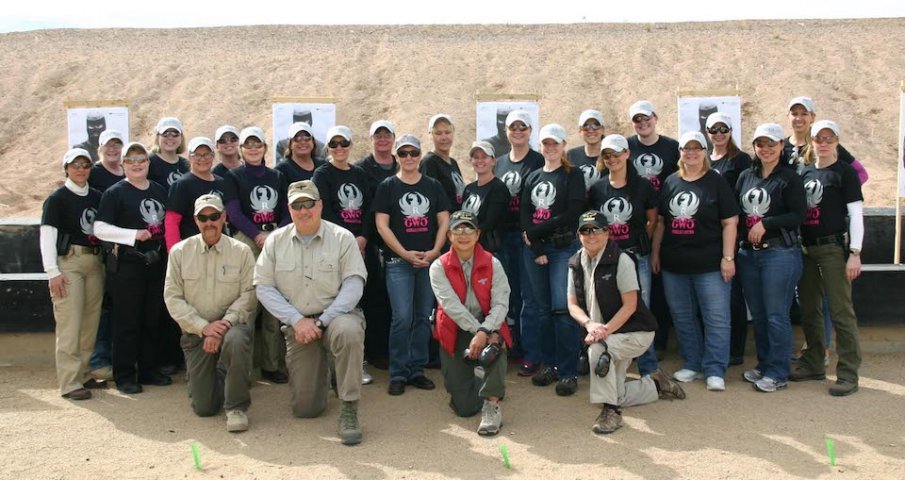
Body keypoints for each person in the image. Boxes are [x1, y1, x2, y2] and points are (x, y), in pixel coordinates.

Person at [255, 180, 368, 445]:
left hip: (337, 317)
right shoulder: (275, 242)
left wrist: (323, 320)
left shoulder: (342, 238)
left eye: (309, 204)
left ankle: (349, 407)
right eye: (297, 206)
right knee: (306, 409)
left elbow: (354, 284)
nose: (304, 211)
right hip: (300, 326)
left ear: (320, 205)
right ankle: (326, 372)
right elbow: (264, 288)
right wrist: (297, 321)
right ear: (289, 209)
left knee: (349, 332)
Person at [567, 211, 686, 434]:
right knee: (615, 390)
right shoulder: (575, 262)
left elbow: (630, 306)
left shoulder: (621, 260)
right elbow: (572, 305)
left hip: (636, 332)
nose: (591, 235)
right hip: (605, 334)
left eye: (597, 230)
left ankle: (612, 413)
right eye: (585, 230)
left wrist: (603, 332)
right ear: (578, 234)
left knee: (597, 352)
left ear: (607, 233)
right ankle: (657, 384)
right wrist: (589, 324)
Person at [651, 131, 739, 392]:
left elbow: (730, 222)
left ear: (704, 151)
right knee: (682, 316)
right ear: (680, 153)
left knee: (716, 317)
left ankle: (714, 368)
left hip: (710, 264)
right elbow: (661, 223)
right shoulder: (670, 182)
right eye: (685, 149)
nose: (691, 153)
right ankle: (693, 363)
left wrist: (728, 257)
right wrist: (656, 253)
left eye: (696, 148)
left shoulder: (716, 181)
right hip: (674, 265)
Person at [164, 194, 257, 431]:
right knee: (204, 408)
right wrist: (203, 328)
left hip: (230, 327)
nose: (210, 222)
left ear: (224, 216)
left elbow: (249, 295)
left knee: (236, 340)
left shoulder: (242, 251)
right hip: (197, 332)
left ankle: (236, 407)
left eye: (214, 216)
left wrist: (222, 326)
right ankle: (215, 375)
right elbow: (172, 298)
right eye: (203, 218)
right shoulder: (180, 252)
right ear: (196, 220)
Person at [792, 120, 864, 397]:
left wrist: (855, 252)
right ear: (811, 141)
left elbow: (856, 213)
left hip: (833, 248)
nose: (823, 142)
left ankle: (847, 373)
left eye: (828, 138)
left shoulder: (845, 173)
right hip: (806, 248)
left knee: (840, 311)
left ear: (836, 140)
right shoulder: (805, 172)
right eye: (818, 138)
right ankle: (813, 363)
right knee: (809, 308)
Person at [374, 134, 450, 396]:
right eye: (403, 153)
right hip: (398, 262)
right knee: (401, 318)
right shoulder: (387, 186)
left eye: (413, 153)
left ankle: (416, 369)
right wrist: (405, 254)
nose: (409, 158)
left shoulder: (433, 185)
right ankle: (398, 372)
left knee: (421, 317)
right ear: (397, 156)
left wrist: (435, 251)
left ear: (420, 155)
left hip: (428, 262)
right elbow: (382, 225)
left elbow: (444, 220)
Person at [93, 142, 172, 394]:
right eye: (131, 160)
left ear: (148, 163)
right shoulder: (115, 193)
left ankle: (148, 369)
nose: (137, 164)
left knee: (152, 318)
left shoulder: (159, 190)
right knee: (127, 321)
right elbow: (100, 228)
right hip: (128, 264)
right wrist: (133, 235)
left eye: (141, 159)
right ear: (124, 165)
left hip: (155, 262)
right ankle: (125, 374)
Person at [735, 124, 807, 393]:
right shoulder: (745, 177)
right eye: (760, 144)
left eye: (771, 144)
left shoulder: (790, 178)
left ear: (781, 146)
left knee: (777, 315)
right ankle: (765, 364)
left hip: (780, 253)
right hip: (748, 255)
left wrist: (767, 223)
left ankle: (778, 371)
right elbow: (738, 214)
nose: (765, 149)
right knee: (761, 315)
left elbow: (798, 214)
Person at [587, 134, 664, 380]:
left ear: (627, 154)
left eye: (616, 154)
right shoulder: (597, 188)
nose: (612, 159)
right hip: (606, 259)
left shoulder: (642, 186)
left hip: (635, 256)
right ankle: (610, 364)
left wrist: (642, 239)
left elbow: (653, 218)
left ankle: (649, 368)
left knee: (642, 310)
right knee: (607, 310)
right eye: (607, 155)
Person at [429, 211, 511, 436]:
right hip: (455, 330)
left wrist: (485, 331)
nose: (463, 235)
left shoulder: (493, 263)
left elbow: (501, 304)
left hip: (488, 326)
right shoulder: (438, 266)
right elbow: (451, 306)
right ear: (449, 235)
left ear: (478, 234)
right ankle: (481, 378)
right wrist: (478, 331)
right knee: (464, 408)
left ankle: (492, 404)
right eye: (457, 229)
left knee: (497, 344)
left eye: (469, 229)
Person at [520, 124, 585, 396]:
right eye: (546, 144)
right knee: (542, 310)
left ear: (563, 145)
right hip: (536, 248)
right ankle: (549, 364)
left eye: (555, 144)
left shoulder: (573, 174)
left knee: (562, 309)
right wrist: (534, 245)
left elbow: (573, 211)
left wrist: (534, 233)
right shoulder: (533, 176)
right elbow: (525, 211)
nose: (550, 148)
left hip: (562, 247)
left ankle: (568, 371)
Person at [223, 127, 290, 384]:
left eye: (258, 144)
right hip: (246, 240)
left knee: (273, 302)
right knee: (248, 303)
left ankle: (271, 364)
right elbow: (233, 212)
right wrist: (256, 235)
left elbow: (286, 209)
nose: (253, 149)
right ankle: (244, 367)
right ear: (242, 148)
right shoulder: (233, 176)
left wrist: (275, 233)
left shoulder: (277, 175)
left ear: (264, 147)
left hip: (274, 238)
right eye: (248, 145)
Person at [40, 148, 106, 400]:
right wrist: (52, 271)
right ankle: (69, 382)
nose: (80, 169)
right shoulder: (57, 199)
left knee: (90, 321)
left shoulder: (97, 196)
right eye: (75, 164)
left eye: (85, 164)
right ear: (66, 168)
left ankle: (84, 372)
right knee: (70, 323)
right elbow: (47, 236)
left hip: (94, 261)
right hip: (68, 262)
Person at [311, 125, 374, 384]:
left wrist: (363, 236)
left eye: (343, 143)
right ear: (328, 147)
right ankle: (333, 363)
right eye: (334, 144)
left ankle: (357, 361)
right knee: (336, 301)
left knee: (359, 302)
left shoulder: (359, 173)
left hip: (360, 245)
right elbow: (324, 210)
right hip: (334, 246)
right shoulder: (322, 174)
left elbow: (370, 207)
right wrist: (348, 239)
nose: (339, 148)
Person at [626, 100, 680, 358]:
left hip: (666, 221)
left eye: (646, 118)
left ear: (655, 118)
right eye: (637, 119)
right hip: (637, 223)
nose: (642, 123)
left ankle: (660, 340)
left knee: (661, 286)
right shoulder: (626, 146)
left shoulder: (672, 147)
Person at [493, 110, 543, 376]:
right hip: (503, 237)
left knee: (529, 297)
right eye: (513, 127)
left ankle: (532, 353)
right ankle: (512, 345)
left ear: (530, 130)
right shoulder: (499, 162)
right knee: (507, 295)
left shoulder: (537, 161)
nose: (518, 131)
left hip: (526, 237)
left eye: (523, 126)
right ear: (507, 131)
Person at [706, 112, 753, 366]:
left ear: (731, 131)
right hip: (707, 233)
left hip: (733, 231)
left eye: (724, 129)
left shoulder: (741, 159)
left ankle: (735, 349)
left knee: (733, 293)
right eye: (714, 129)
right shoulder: (703, 159)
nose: (719, 134)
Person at [355, 119, 399, 370]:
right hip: (372, 240)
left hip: (401, 240)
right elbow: (365, 207)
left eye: (387, 135)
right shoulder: (362, 169)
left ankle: (394, 350)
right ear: (371, 139)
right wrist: (365, 236)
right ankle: (377, 351)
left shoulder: (401, 163)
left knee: (397, 299)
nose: (383, 140)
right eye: (378, 136)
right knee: (375, 296)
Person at [87, 129, 126, 382]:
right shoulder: (93, 174)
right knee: (103, 308)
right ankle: (99, 360)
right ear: (99, 149)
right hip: (102, 250)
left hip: (126, 252)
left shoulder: (127, 173)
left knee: (122, 307)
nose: (113, 150)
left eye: (116, 145)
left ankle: (118, 358)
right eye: (108, 146)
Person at [165, 137, 228, 252]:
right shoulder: (181, 185)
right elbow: (171, 222)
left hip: (220, 248)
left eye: (206, 154)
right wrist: (173, 253)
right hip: (192, 249)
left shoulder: (222, 183)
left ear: (213, 156)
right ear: (189, 157)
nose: (202, 159)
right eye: (197, 155)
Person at [461, 141, 509, 254]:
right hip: (468, 249)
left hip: (491, 251)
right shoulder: (468, 189)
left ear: (493, 161)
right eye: (475, 157)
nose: (480, 161)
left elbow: (489, 223)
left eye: (484, 157)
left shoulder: (499, 188)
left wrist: (464, 234)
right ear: (471, 161)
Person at [420, 114, 465, 211]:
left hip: (457, 221)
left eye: (447, 132)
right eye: (438, 133)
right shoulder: (429, 163)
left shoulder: (453, 162)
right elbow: (430, 200)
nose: (444, 137)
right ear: (430, 135)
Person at [567, 109, 606, 191]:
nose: (591, 130)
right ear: (580, 131)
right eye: (586, 126)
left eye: (596, 125)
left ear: (602, 130)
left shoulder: (611, 156)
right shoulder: (571, 155)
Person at [148, 117, 190, 189]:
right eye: (165, 134)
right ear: (158, 137)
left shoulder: (186, 164)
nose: (170, 137)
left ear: (181, 137)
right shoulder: (148, 162)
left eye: (175, 134)